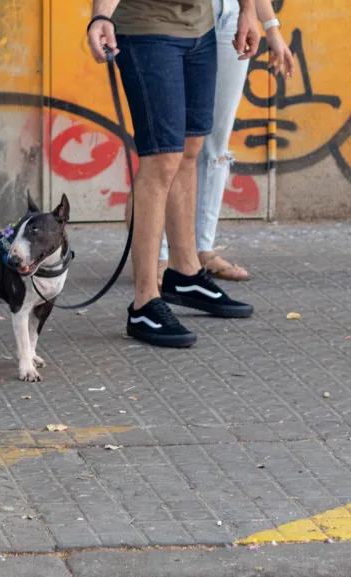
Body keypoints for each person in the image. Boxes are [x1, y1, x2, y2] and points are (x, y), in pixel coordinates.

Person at [86, 0, 260, 348]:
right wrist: (101, 15)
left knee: (190, 149)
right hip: (147, 30)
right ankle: (145, 303)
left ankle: (185, 274)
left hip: (200, 29)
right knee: (162, 158)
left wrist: (249, 11)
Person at [157, 0, 296, 285]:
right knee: (164, 146)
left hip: (230, 16)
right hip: (176, 14)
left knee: (215, 144)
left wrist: (270, 27)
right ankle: (158, 255)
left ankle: (202, 250)